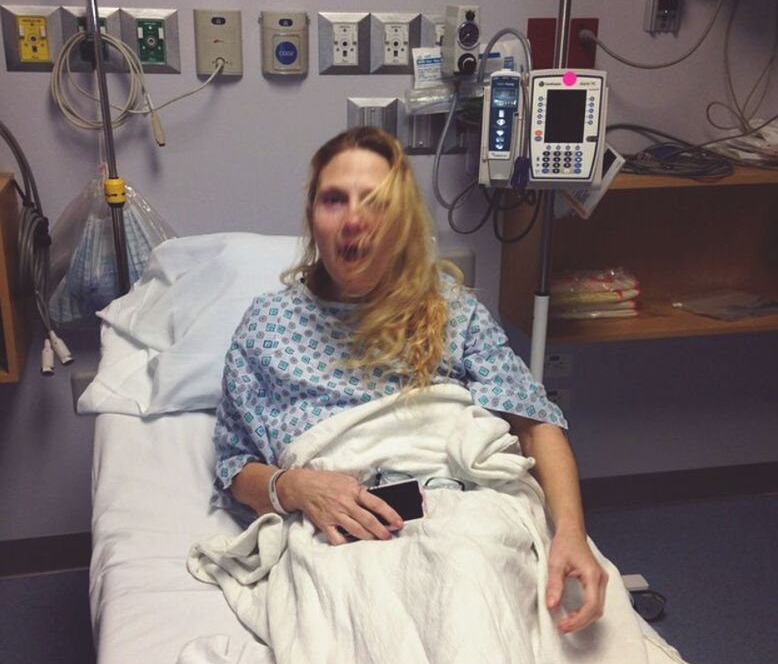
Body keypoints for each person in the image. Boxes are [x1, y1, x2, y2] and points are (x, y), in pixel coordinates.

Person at [212, 125, 607, 635]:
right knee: (369, 628)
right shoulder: (267, 327)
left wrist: (571, 534)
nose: (355, 219)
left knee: (473, 598)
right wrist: (295, 487)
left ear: (401, 220)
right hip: (344, 528)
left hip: (464, 508)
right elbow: (233, 466)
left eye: (375, 202)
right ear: (313, 217)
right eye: (335, 200)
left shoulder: (450, 310)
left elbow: (534, 423)